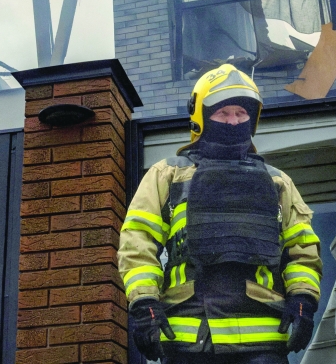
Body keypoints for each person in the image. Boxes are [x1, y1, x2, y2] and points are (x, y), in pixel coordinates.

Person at [119, 64, 322, 364]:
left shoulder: (277, 182)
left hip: (263, 345)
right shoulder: (168, 175)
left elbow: (302, 248)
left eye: (241, 114)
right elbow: (138, 242)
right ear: (201, 116)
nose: (233, 121)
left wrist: (304, 298)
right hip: (189, 340)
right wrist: (144, 302)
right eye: (223, 113)